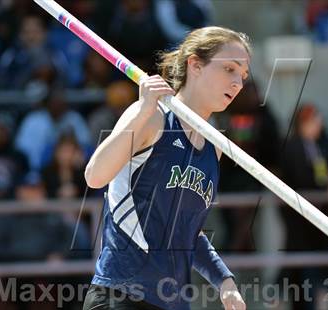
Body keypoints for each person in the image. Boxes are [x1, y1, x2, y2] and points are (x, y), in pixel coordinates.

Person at [83, 26, 250, 310]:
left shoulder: (214, 145)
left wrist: (224, 281)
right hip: (121, 295)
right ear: (195, 64)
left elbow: (187, 232)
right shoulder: (152, 116)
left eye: (243, 76)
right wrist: (143, 109)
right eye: (230, 69)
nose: (238, 83)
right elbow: (95, 176)